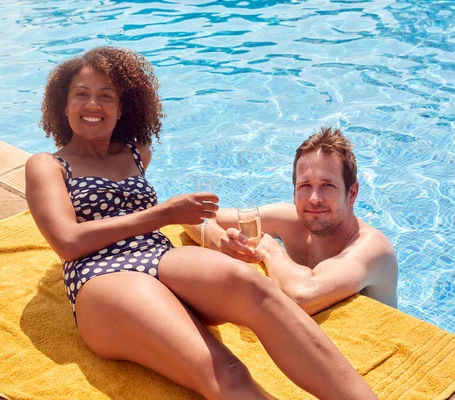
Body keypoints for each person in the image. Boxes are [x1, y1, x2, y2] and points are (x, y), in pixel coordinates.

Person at [25, 46, 378, 400]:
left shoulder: (136, 153)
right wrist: (164, 214)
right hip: (100, 274)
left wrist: (206, 231)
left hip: (156, 254)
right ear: (63, 104)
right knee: (227, 371)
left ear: (122, 106)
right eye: (81, 95)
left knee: (255, 287)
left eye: (106, 96)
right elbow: (67, 241)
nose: (93, 105)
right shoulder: (48, 165)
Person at [184, 127, 398, 316]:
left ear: (352, 193)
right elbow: (190, 213)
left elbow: (304, 296)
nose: (314, 198)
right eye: (305, 186)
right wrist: (216, 239)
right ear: (294, 193)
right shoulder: (289, 220)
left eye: (327, 185)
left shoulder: (373, 248)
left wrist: (270, 249)